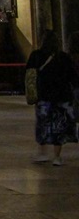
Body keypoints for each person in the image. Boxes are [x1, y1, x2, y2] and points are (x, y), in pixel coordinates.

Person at [26, 30, 79, 166]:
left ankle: (42, 153)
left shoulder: (36, 56)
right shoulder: (64, 58)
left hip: (44, 96)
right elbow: (73, 77)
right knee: (59, 127)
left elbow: (29, 75)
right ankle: (57, 156)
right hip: (62, 97)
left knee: (43, 124)